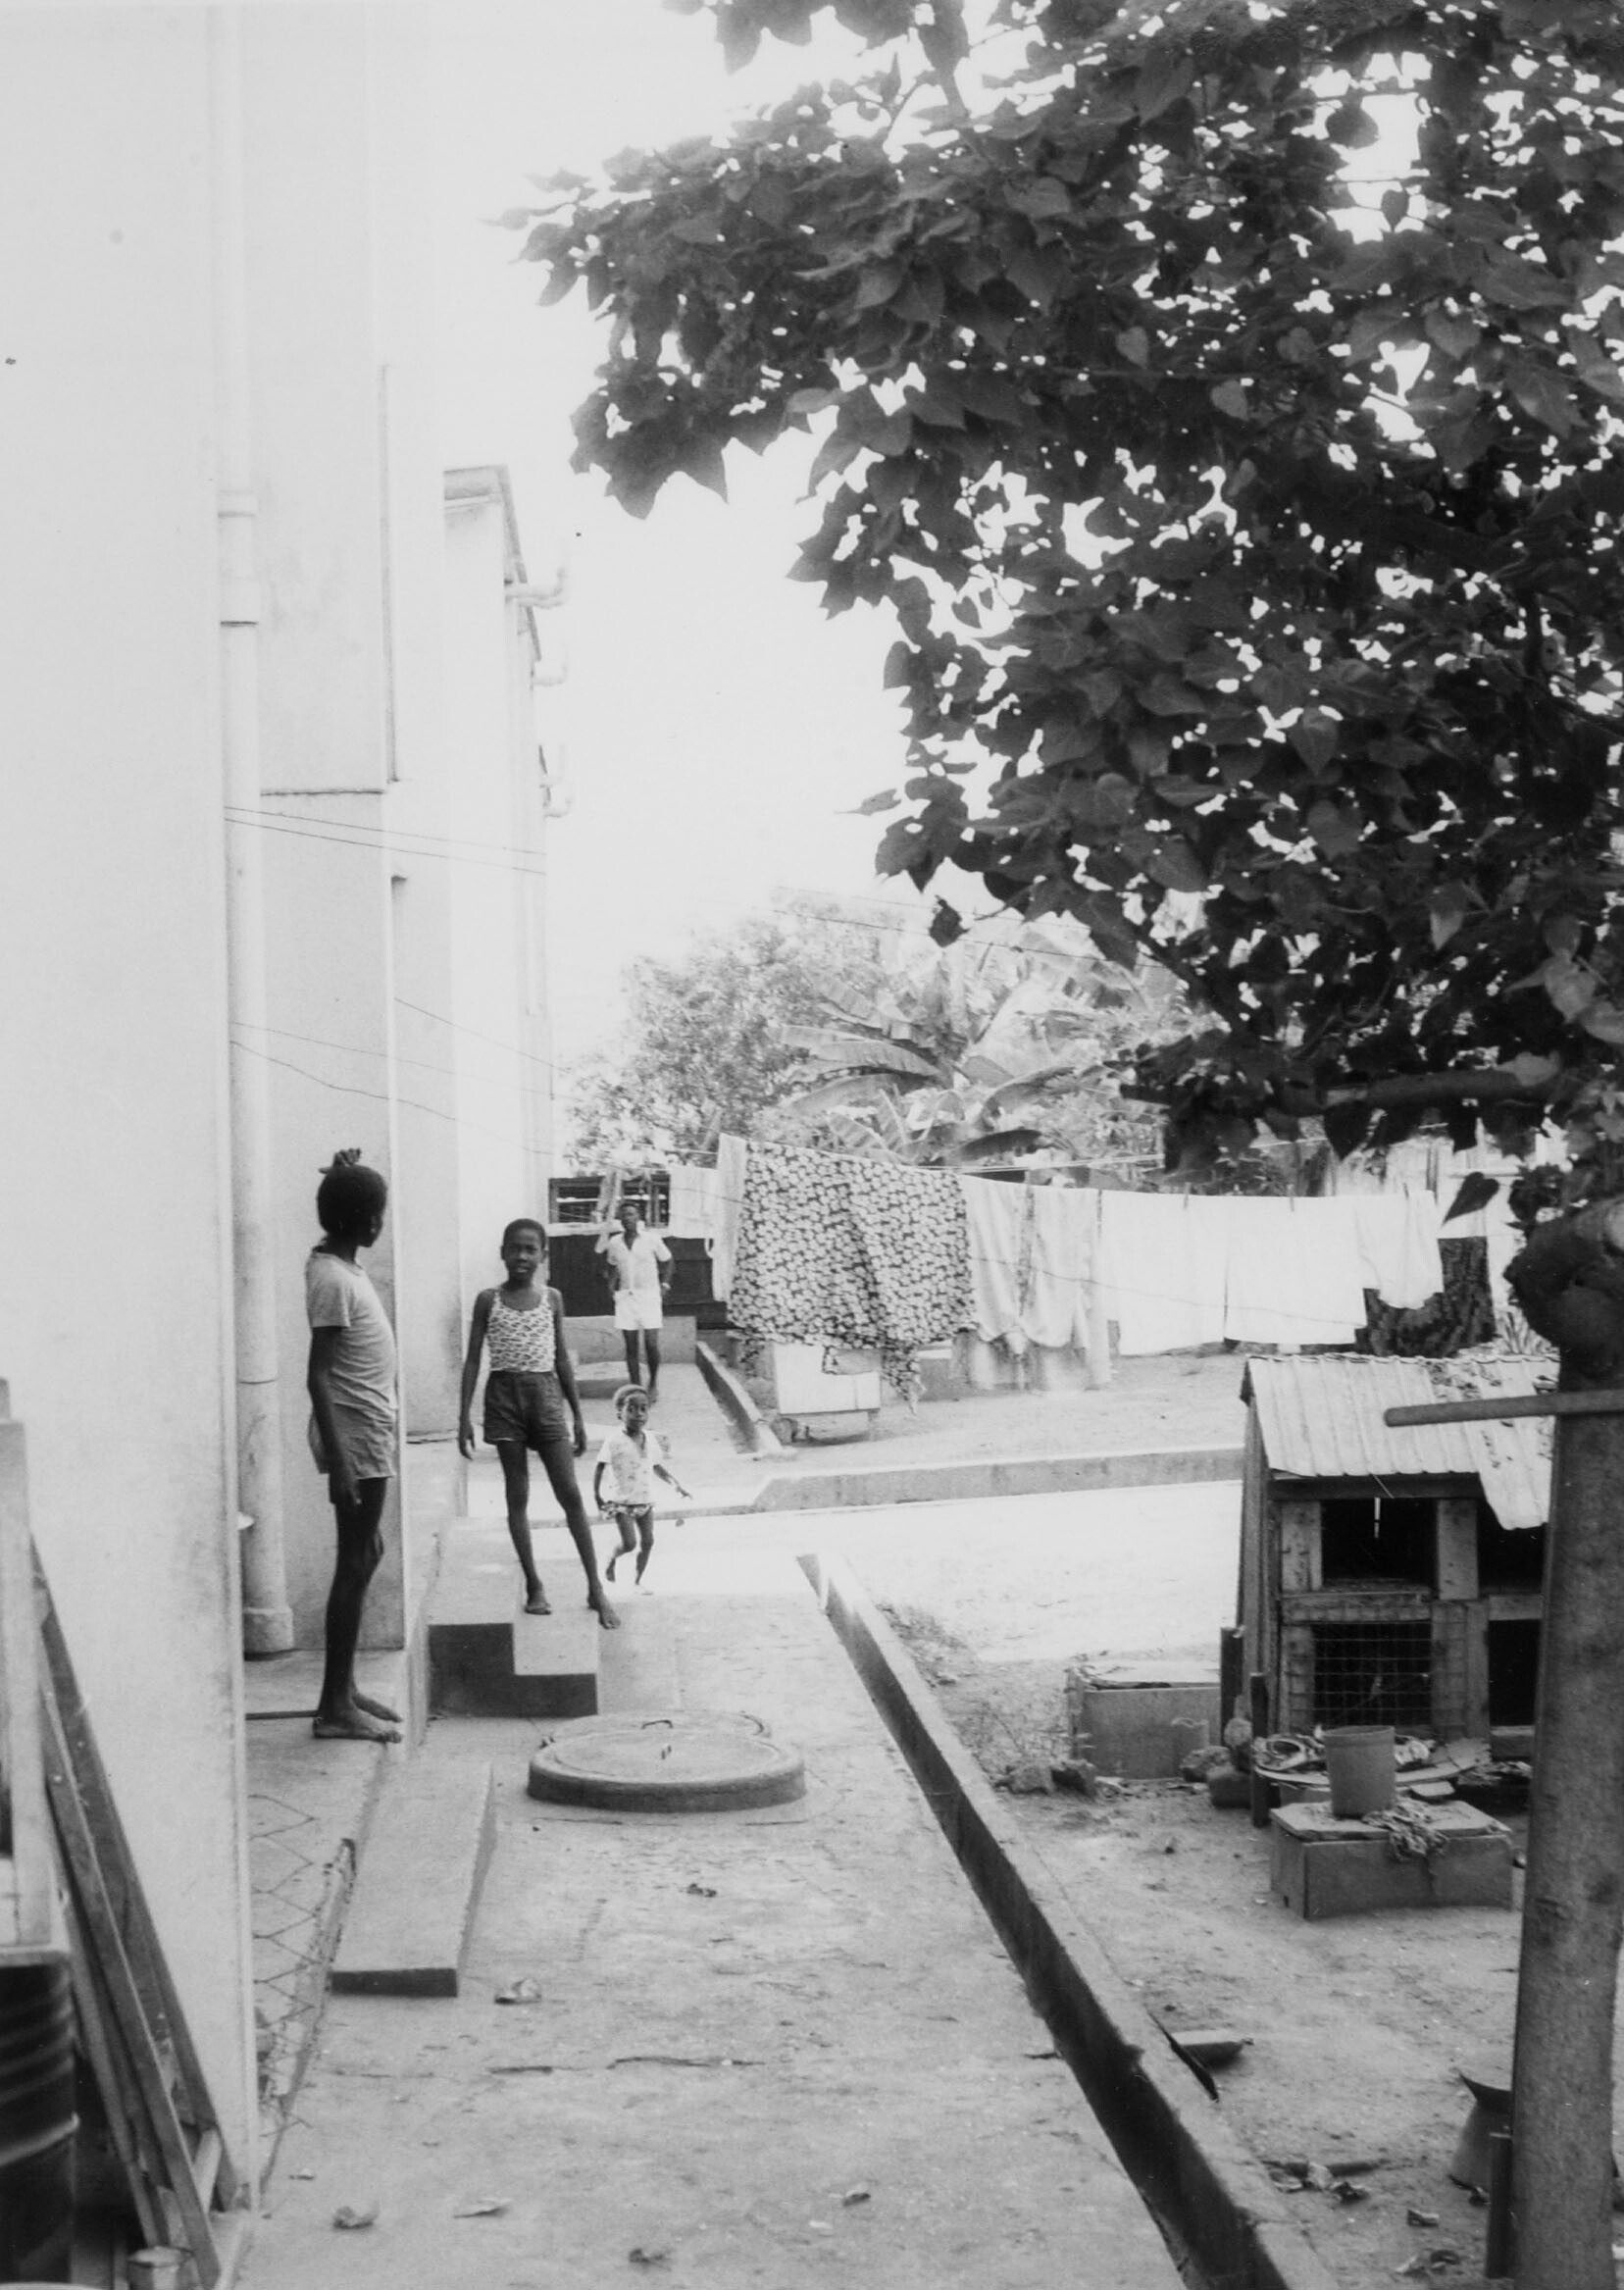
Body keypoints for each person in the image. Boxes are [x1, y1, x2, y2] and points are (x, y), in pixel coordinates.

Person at [458, 1218, 619, 1629]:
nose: (522, 1256)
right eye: (514, 1248)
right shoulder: (488, 1300)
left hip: (546, 1399)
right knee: (517, 1495)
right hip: (504, 1400)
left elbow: (561, 1356)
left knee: (570, 1495)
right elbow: (474, 1359)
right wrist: (463, 1417)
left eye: (530, 1249)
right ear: (502, 1253)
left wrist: (578, 1415)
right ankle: (534, 1583)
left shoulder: (552, 1299)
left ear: (543, 1256)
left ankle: (595, 1588)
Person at [306, 1150, 403, 1743]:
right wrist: (341, 1464)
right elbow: (316, 1376)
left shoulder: (338, 1263)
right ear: (364, 1221)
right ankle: (334, 1707)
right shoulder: (332, 1279)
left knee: (367, 1554)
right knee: (356, 1560)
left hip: (369, 1431)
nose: (380, 1222)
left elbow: (343, 1207)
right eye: (377, 1213)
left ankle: (344, 1689)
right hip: (357, 1437)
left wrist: (342, 1174)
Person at [593, 1383, 690, 1589]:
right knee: (629, 1543)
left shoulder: (650, 1439)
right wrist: (597, 1496)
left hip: (645, 1500)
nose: (638, 1414)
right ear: (619, 1413)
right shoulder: (614, 1440)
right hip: (622, 1501)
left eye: (643, 1409)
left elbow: (656, 1466)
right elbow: (600, 1466)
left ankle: (637, 1581)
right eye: (631, 1409)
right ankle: (611, 1557)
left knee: (648, 1542)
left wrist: (675, 1485)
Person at [595, 1199, 673, 1399]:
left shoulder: (652, 1239)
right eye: (623, 1215)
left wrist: (665, 1284)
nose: (627, 1218)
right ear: (620, 1220)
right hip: (626, 1297)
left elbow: (668, 1261)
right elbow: (612, 1265)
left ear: (638, 1217)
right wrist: (611, 1286)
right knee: (631, 1346)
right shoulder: (614, 1243)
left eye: (631, 1214)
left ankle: (653, 1383)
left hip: (649, 1296)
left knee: (651, 1343)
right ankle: (636, 1387)